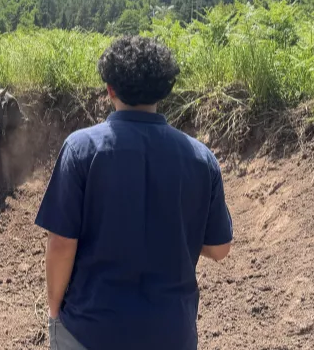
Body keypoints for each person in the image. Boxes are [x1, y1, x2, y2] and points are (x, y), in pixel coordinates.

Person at [34, 35, 233, 350]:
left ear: (110, 89)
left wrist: (54, 309)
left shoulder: (81, 149)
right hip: (171, 334)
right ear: (164, 90)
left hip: (91, 330)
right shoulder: (200, 158)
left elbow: (61, 244)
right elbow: (220, 249)